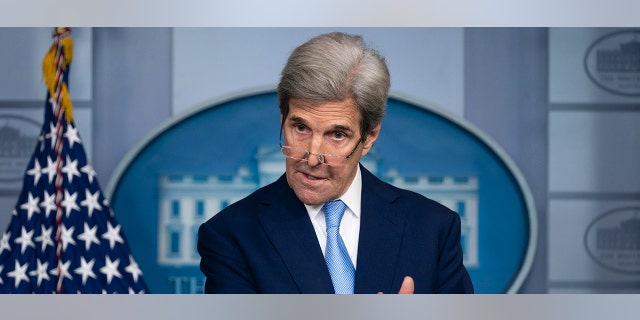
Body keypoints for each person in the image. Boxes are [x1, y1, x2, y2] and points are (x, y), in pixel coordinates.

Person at [197, 32, 474, 294]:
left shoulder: (432, 228)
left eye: (337, 135)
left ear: (369, 137)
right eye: (301, 128)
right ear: (283, 119)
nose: (313, 157)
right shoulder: (231, 235)